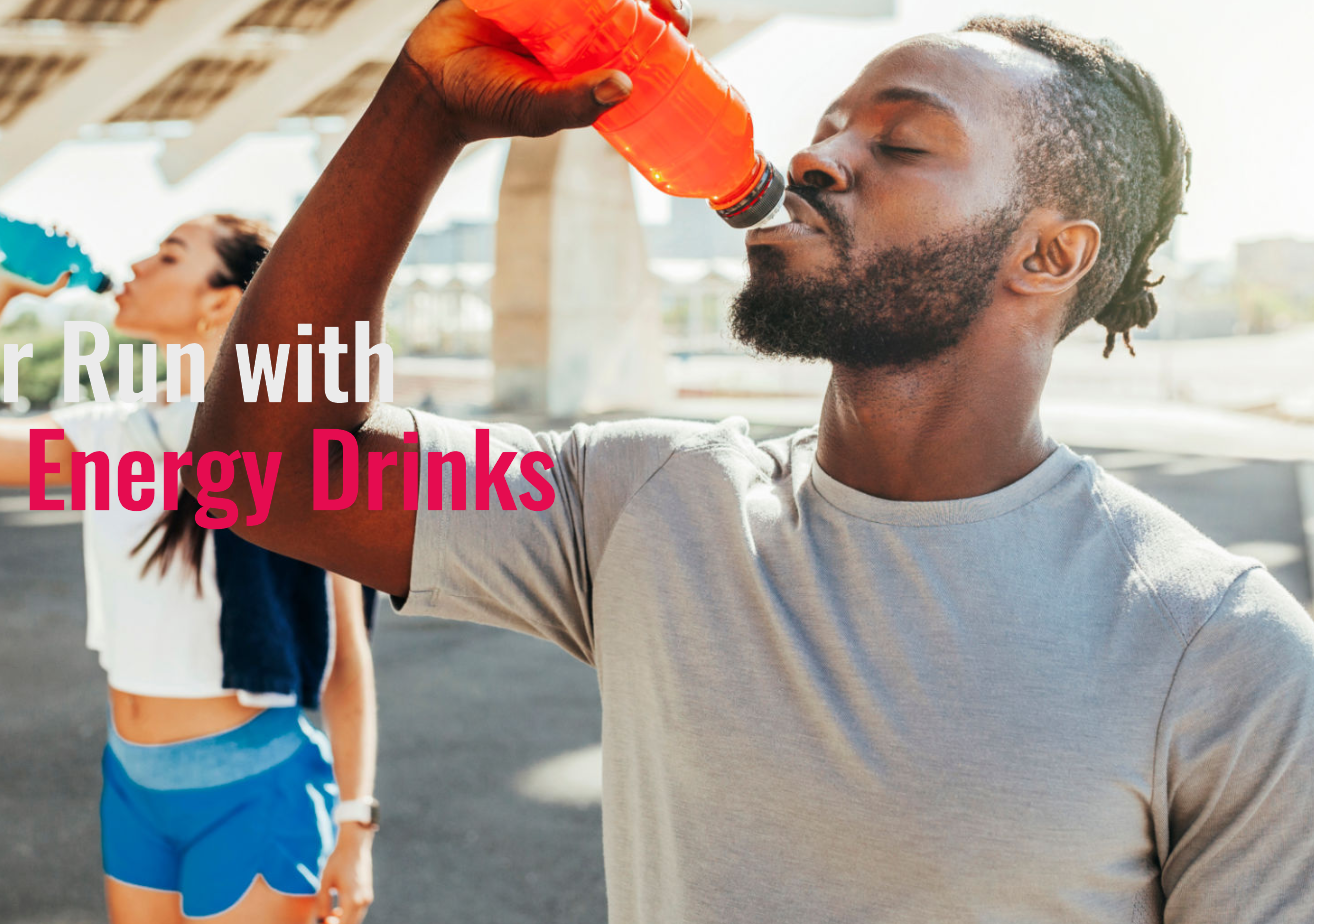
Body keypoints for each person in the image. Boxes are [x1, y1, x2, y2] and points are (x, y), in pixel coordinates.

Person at [186, 3, 1313, 923]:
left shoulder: (1224, 653)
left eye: (900, 141)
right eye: (827, 125)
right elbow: (269, 473)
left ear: (1050, 254)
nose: (815, 157)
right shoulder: (647, 502)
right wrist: (420, 109)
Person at [0, 215, 378, 924]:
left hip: (256, 784)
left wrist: (356, 824)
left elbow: (346, 659)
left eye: (169, 256)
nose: (138, 265)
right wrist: (0, 291)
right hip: (133, 782)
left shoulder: (296, 445)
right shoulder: (110, 433)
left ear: (222, 300)